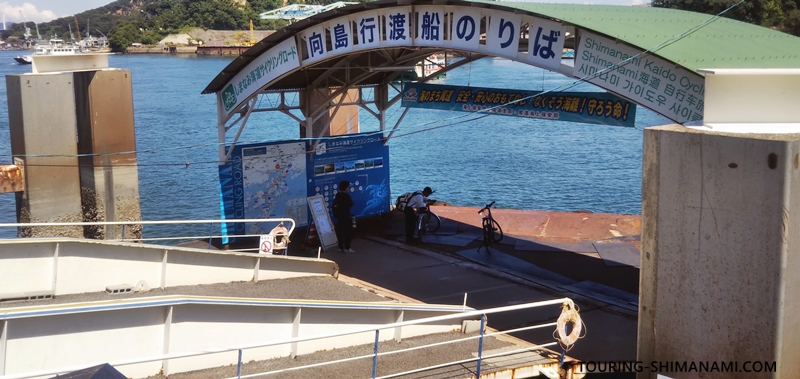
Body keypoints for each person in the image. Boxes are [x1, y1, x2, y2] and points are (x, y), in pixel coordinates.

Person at [332, 180, 355, 253]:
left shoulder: (337, 196)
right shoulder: (347, 196)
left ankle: (340, 247)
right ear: (346, 188)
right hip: (346, 217)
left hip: (339, 217)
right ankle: (347, 248)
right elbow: (352, 205)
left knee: (340, 232)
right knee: (348, 232)